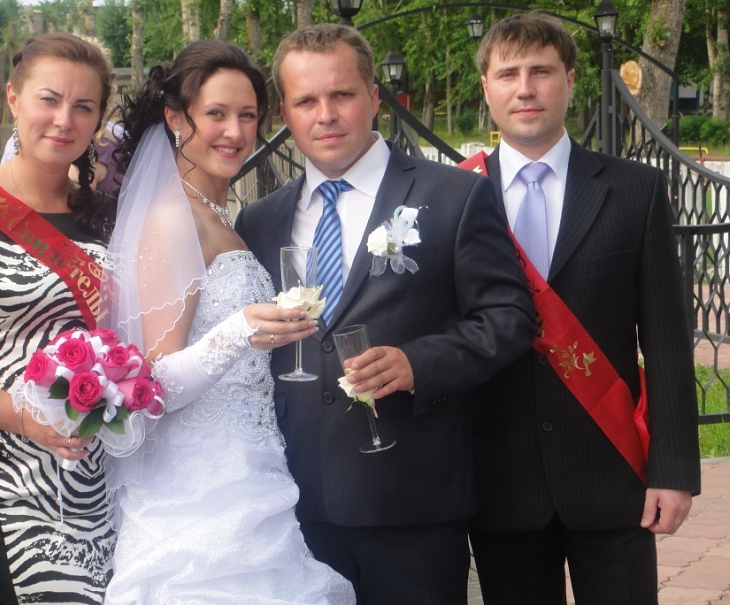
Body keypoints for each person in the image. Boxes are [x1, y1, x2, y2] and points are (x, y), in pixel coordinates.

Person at [235, 23, 536, 605]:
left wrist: (419, 363)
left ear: (374, 97)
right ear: (285, 114)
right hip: (293, 503)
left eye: (342, 94)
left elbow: (509, 315)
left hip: (411, 499)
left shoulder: (453, 196)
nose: (326, 115)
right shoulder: (259, 220)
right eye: (306, 101)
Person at [101, 40, 356, 604]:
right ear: (175, 118)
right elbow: (154, 385)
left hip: (254, 466)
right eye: (215, 113)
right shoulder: (172, 218)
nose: (235, 132)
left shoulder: (224, 214)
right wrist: (238, 330)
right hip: (196, 494)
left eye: (247, 115)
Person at [463, 12, 701, 604]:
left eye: (541, 72)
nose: (525, 89)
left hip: (613, 476)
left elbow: (667, 342)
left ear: (569, 81)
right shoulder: (453, 197)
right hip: (499, 480)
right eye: (508, 75)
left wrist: (674, 471)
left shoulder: (635, 191)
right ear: (487, 89)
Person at [0, 32, 116, 603]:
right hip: (13, 481)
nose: (64, 120)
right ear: (13, 97)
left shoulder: (103, 215)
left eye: (84, 106)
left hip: (110, 475)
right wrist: (24, 416)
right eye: (48, 99)